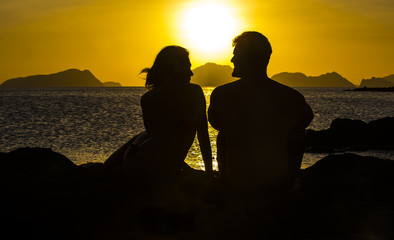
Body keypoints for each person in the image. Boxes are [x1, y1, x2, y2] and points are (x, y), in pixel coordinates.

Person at [208, 31, 313, 191]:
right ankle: (290, 181)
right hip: (277, 181)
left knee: (223, 133)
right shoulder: (292, 97)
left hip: (236, 181)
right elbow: (306, 119)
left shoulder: (221, 95)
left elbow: (215, 122)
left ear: (248, 59)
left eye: (236, 55)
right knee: (297, 131)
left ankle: (224, 180)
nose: (232, 59)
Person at [119, 46, 213, 191]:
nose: (191, 72)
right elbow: (203, 135)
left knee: (144, 137)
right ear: (175, 67)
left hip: (135, 163)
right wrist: (209, 173)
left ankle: (103, 167)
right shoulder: (194, 92)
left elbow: (161, 144)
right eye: (187, 67)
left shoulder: (148, 98)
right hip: (154, 168)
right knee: (145, 136)